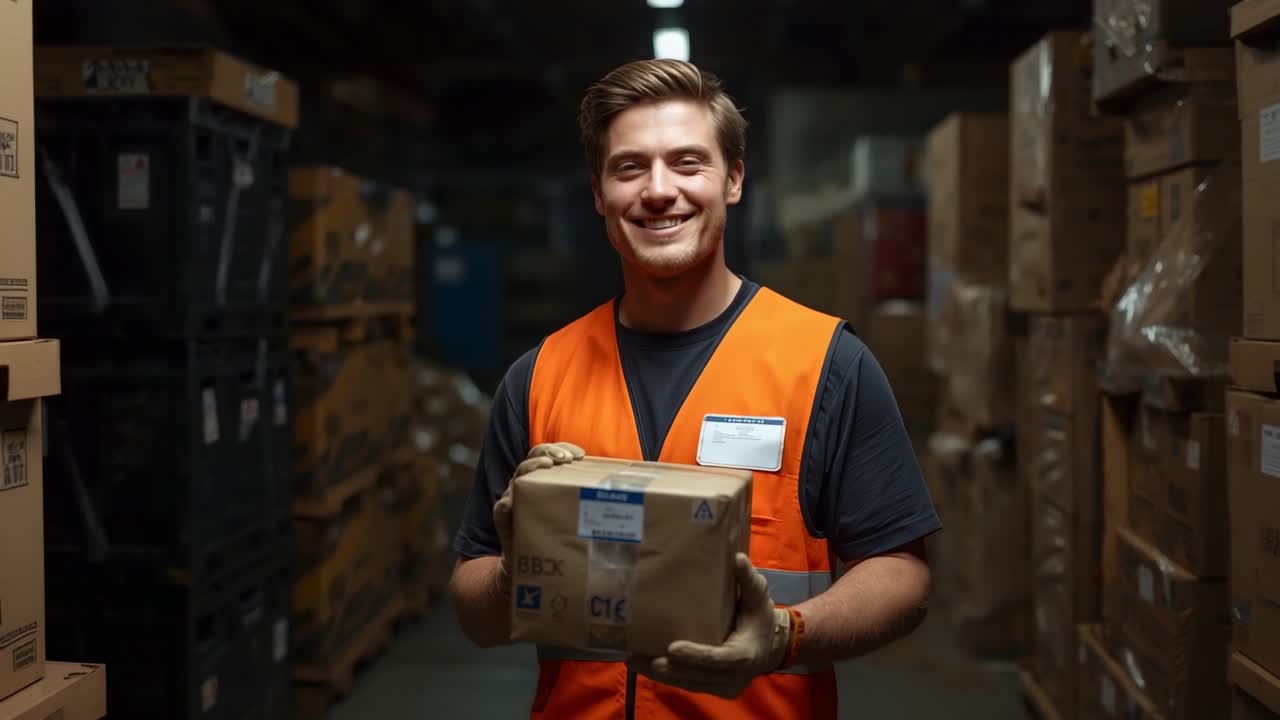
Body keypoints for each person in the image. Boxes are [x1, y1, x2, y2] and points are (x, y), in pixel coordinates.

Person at [448, 58, 940, 719]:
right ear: (598, 193)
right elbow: (475, 611)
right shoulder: (538, 377)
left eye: (687, 163)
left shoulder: (826, 365)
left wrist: (784, 636)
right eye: (629, 168)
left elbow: (903, 576)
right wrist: (514, 575)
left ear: (732, 179)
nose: (659, 190)